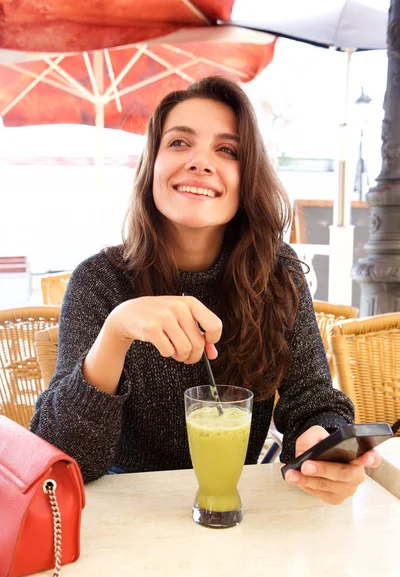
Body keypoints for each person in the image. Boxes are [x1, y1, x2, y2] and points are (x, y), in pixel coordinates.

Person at [30, 75, 380, 504]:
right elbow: (62, 458)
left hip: (237, 508)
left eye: (227, 150)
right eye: (179, 143)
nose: (200, 162)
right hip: (125, 516)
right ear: (152, 165)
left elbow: (312, 399)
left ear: (247, 174)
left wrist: (319, 440)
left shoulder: (277, 272)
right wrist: (116, 331)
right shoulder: (99, 281)